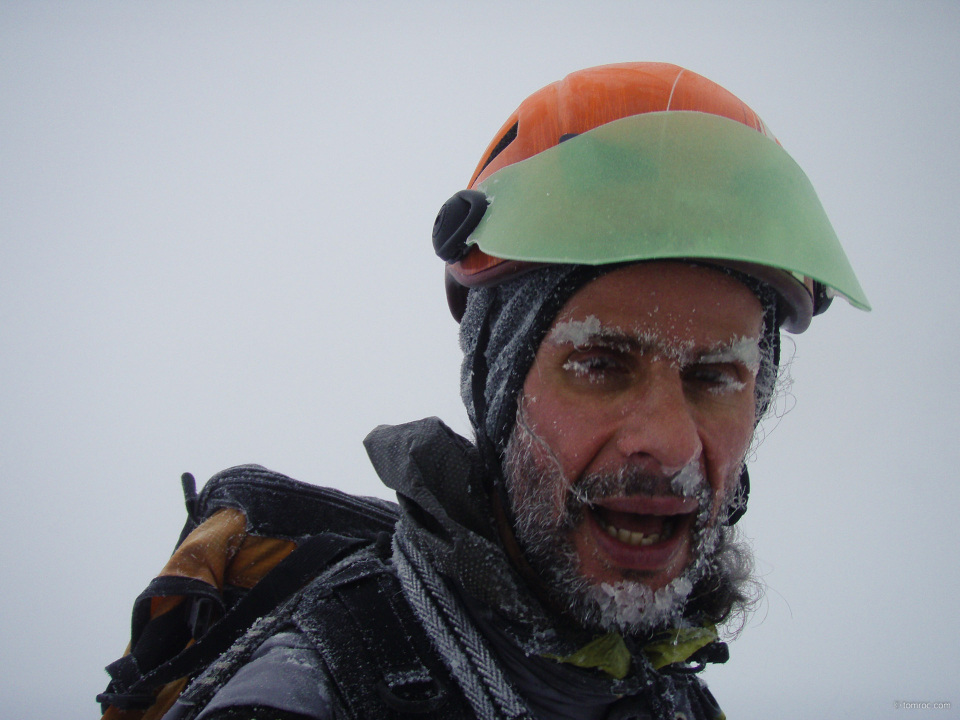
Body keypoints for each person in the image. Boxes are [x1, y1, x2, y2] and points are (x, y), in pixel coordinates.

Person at [163, 62, 869, 720]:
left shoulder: (672, 695)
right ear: (497, 391)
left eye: (716, 376)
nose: (672, 441)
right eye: (600, 364)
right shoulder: (313, 693)